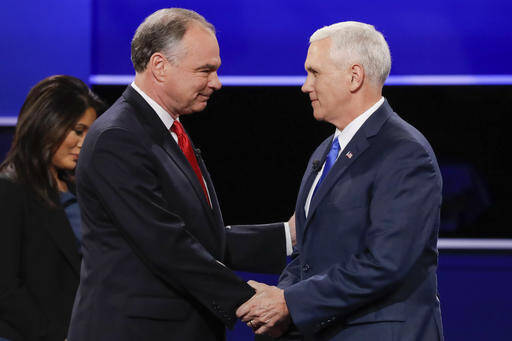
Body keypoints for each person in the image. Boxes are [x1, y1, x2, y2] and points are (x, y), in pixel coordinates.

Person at [68, 8, 293, 341]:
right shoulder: (117, 138)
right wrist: (250, 302)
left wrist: (288, 236)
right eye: (206, 70)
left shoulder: (164, 130)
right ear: (160, 66)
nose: (216, 83)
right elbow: (167, 244)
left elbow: (200, 238)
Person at [237, 21, 444, 340]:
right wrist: (281, 298)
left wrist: (290, 302)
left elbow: (386, 263)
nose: (305, 85)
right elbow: (308, 253)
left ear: (354, 76)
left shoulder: (404, 153)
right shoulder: (326, 150)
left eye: (314, 72)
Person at [0, 75, 104, 341]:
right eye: (78, 131)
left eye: (89, 133)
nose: (84, 143)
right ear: (47, 124)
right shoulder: (10, 189)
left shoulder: (81, 190)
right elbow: (6, 288)